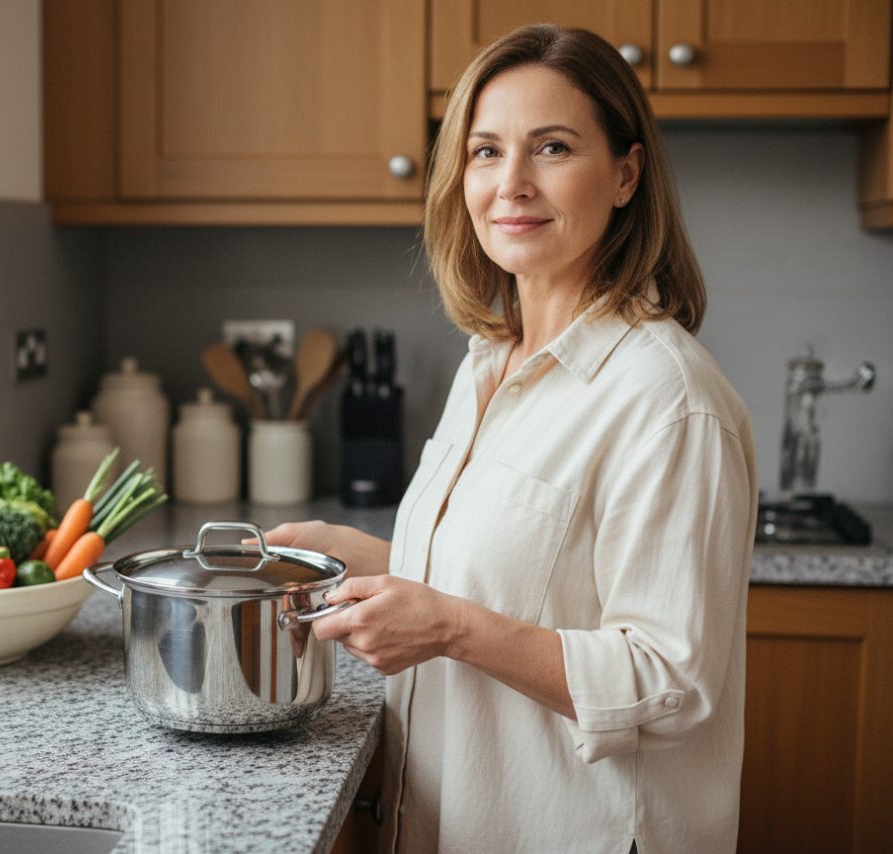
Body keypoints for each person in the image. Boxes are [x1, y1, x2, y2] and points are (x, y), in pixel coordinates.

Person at [261, 23, 757, 854]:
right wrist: (369, 557)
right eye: (486, 152)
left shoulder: (667, 398)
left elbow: (672, 682)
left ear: (627, 174)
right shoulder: (489, 364)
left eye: (552, 148)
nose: (511, 184)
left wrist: (450, 628)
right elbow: (528, 577)